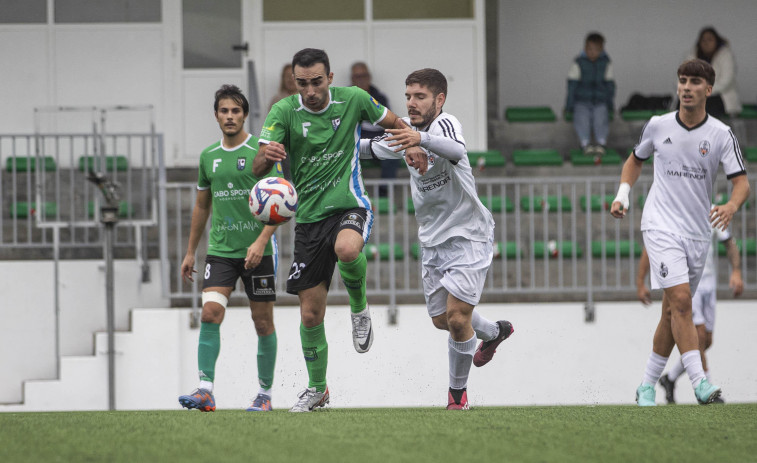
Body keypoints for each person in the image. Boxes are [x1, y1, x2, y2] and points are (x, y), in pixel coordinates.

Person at [252, 48, 427, 413]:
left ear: (330, 78)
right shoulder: (283, 111)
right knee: (310, 315)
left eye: (317, 82)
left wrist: (414, 146)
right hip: (309, 220)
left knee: (347, 249)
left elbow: (395, 122)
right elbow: (256, 166)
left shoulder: (354, 99)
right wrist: (266, 157)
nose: (310, 90)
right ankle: (318, 389)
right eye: (302, 83)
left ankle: (359, 309)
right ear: (294, 82)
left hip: (350, 204)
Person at [359, 68, 514, 410]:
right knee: (442, 320)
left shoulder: (445, 124)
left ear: (439, 99)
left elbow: (456, 151)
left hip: (469, 233)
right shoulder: (404, 129)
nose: (411, 103)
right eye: (408, 96)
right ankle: (493, 332)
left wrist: (420, 139)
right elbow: (368, 149)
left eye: (420, 96)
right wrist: (323, 146)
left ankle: (456, 398)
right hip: (432, 240)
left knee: (458, 318)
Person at [610, 59, 749, 407]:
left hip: (698, 233)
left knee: (672, 312)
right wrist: (622, 194)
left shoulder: (719, 134)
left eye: (694, 82)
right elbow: (635, 160)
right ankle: (701, 385)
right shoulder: (658, 125)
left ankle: (646, 385)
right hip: (660, 225)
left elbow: (741, 183)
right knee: (683, 302)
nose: (687, 87)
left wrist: (731, 206)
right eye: (682, 81)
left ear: (708, 89)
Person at [179, 84, 281, 412]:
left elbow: (282, 203)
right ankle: (205, 390)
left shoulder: (261, 153)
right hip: (221, 251)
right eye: (224, 111)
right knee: (210, 314)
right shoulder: (208, 156)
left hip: (258, 252)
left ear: (245, 115)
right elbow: (201, 206)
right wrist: (191, 251)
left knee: (262, 323)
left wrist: (261, 240)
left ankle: (264, 395)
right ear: (216, 115)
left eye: (236, 111)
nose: (230, 116)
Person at [637, 219, 743, 404]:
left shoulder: (712, 211)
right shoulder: (672, 212)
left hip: (710, 285)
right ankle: (704, 386)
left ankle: (669, 378)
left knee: (706, 341)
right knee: (699, 336)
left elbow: (729, 242)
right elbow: (651, 246)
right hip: (686, 285)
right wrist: (640, 281)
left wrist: (736, 271)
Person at [565, 32, 615, 158]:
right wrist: (569, 106)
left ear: (601, 50)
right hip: (582, 100)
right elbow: (572, 87)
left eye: (595, 49)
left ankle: (601, 144)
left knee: (601, 118)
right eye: (589, 49)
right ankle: (585, 144)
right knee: (581, 118)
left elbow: (610, 87)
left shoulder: (606, 64)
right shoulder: (578, 63)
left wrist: (610, 105)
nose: (591, 52)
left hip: (600, 100)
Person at [351, 62, 397, 197]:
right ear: (352, 78)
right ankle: (352, 191)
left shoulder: (380, 97)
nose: (361, 79)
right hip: (355, 142)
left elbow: (389, 122)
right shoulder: (345, 98)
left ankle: (384, 192)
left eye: (363, 75)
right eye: (357, 76)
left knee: (393, 151)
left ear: (369, 77)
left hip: (378, 140)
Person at [687, 27, 741, 120]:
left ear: (717, 41)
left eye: (710, 39)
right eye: (703, 40)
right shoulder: (692, 55)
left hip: (720, 97)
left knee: (709, 105)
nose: (706, 43)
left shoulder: (725, 55)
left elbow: (726, 81)